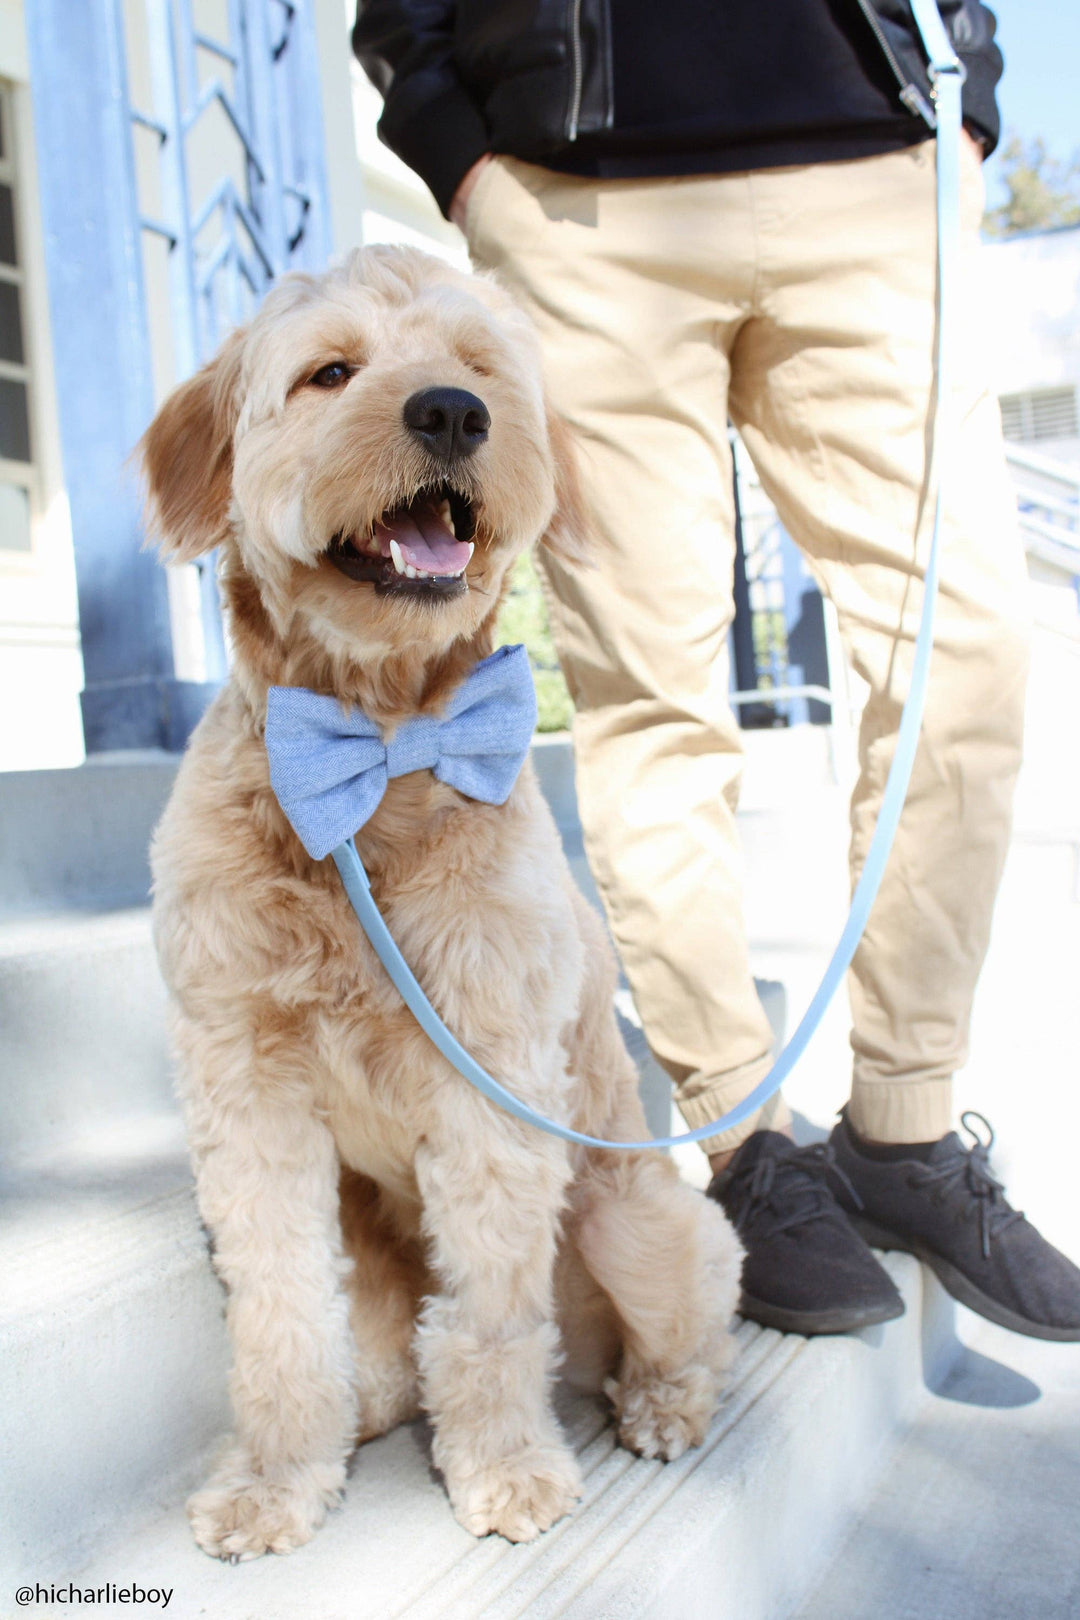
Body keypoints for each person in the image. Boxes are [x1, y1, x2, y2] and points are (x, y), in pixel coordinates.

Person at [352, 0, 1080, 1342]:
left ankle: (904, 1134)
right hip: (583, 207)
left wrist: (962, 100)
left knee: (964, 650)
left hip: (871, 168)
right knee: (653, 696)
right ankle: (748, 1146)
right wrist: (467, 160)